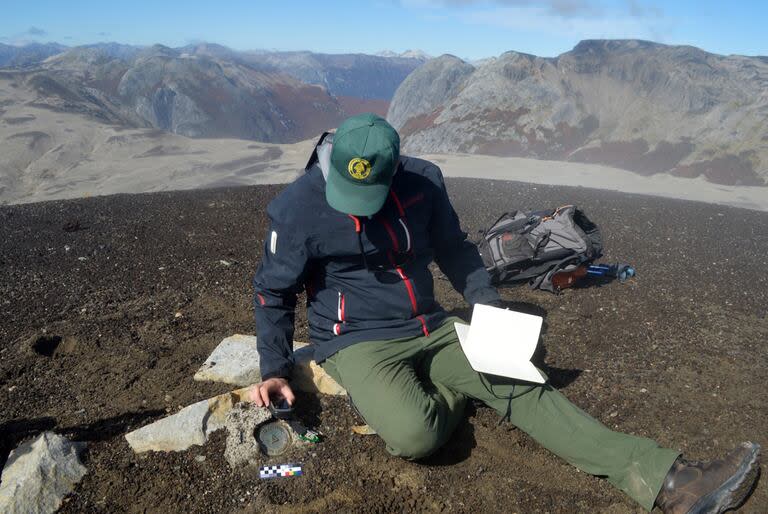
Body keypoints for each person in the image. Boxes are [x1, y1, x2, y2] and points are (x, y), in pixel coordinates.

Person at [250, 113, 760, 513]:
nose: (357, 208)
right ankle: (455, 391)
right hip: (356, 339)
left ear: (394, 169)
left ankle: (669, 481)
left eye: (370, 196)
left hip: (430, 324)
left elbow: (455, 250)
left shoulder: (423, 184)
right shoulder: (297, 208)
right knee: (413, 436)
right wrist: (273, 368)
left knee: (522, 384)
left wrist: (487, 312)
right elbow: (273, 293)